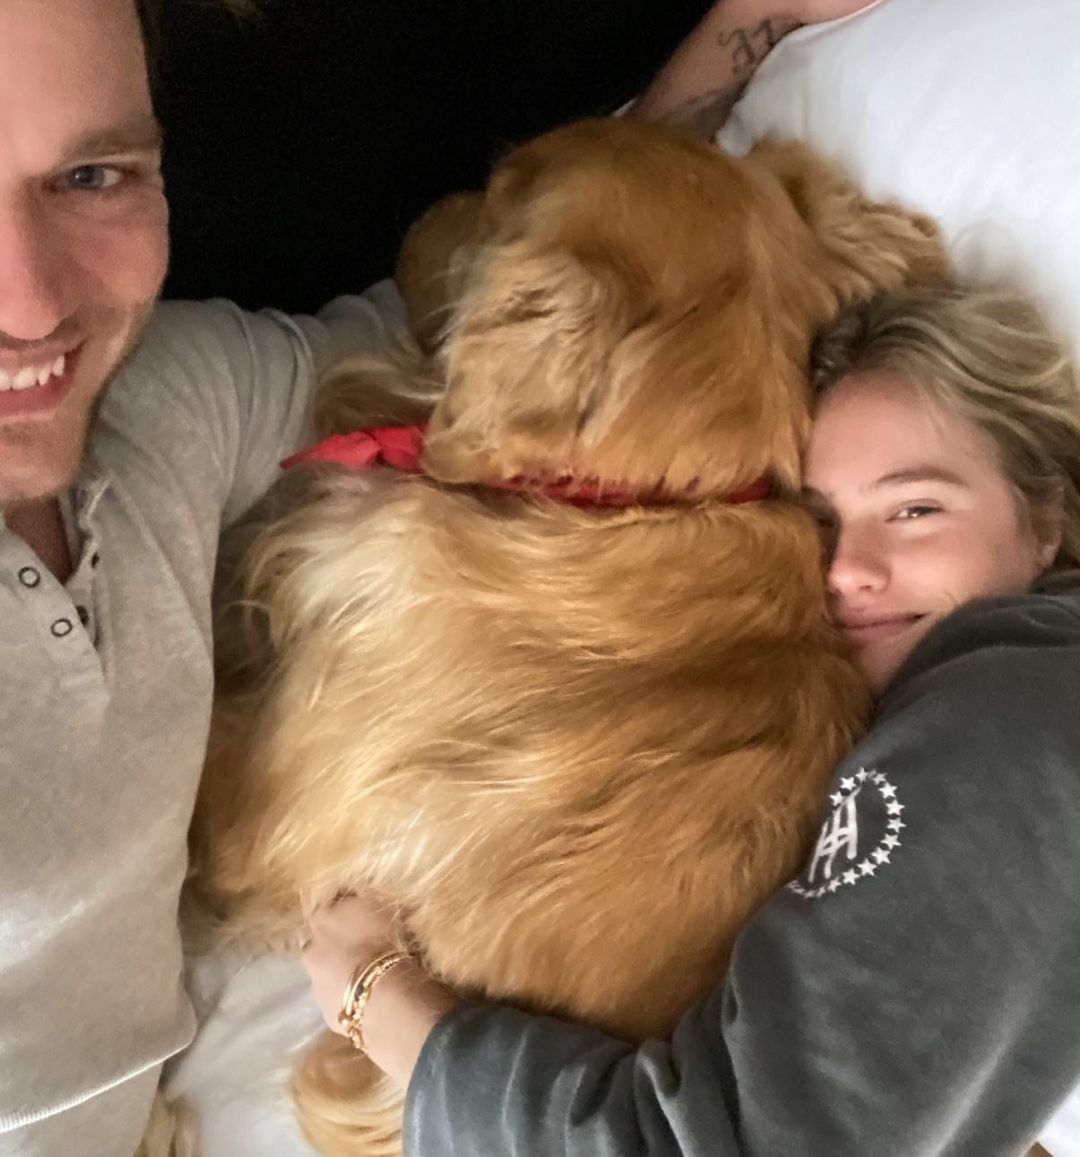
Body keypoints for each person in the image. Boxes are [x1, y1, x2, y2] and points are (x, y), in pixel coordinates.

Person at [0, 0, 860, 1154]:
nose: (33, 304)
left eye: (91, 175)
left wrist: (744, 35)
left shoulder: (158, 399)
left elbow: (441, 330)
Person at [300, 284, 1080, 1155]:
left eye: (915, 509)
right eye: (816, 521)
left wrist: (374, 995)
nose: (845, 569)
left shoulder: (1009, 725)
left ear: (1044, 519)